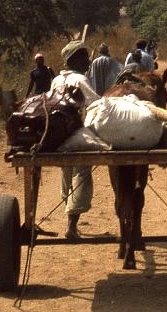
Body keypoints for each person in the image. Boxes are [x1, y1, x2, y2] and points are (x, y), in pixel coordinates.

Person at [51, 40, 100, 239]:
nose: (88, 61)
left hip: (58, 136)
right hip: (76, 134)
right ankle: (71, 226)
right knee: (81, 176)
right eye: (84, 57)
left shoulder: (56, 80)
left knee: (66, 174)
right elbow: (95, 104)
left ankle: (70, 221)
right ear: (74, 60)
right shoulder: (80, 80)